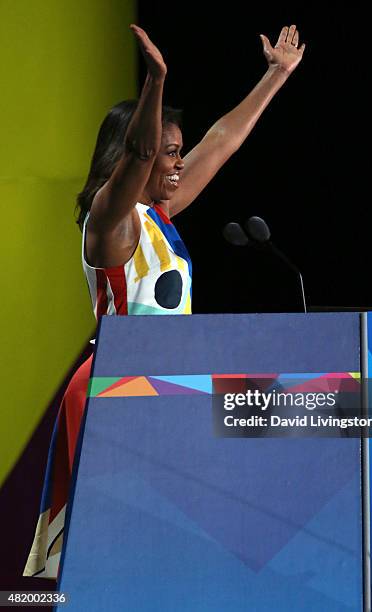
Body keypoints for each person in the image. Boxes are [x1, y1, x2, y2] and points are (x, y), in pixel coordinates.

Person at [23, 22, 305, 579]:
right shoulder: (109, 223)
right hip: (115, 389)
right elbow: (140, 149)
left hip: (166, 386)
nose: (177, 162)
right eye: (168, 153)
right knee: (110, 553)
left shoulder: (160, 215)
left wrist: (275, 75)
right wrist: (155, 82)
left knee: (168, 550)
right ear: (134, 156)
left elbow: (221, 142)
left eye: (178, 153)